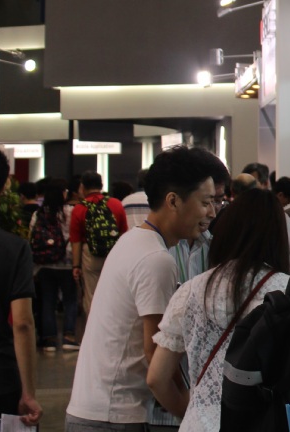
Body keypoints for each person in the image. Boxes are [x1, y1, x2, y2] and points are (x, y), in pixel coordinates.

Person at [65, 146, 226, 432]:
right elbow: (157, 357)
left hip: (96, 409)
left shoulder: (133, 241)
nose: (211, 212)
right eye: (205, 202)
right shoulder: (157, 260)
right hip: (114, 416)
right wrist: (193, 416)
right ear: (173, 201)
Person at [147, 189, 290, 431]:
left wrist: (191, 413)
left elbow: (156, 378)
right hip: (258, 423)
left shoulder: (192, 290)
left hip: (198, 424)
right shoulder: (285, 292)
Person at [0, 147, 43, 427]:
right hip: (1, 377)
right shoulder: (14, 249)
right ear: (4, 187)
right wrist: (28, 392)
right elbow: (23, 323)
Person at [70, 170, 130, 316]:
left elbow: (76, 240)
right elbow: (124, 233)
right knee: (113, 293)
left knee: (92, 294)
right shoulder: (115, 204)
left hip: (90, 254)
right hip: (113, 254)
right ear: (102, 186)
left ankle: (94, 325)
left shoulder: (79, 208)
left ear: (82, 187)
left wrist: (76, 265)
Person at [31, 179, 80, 350]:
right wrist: (77, 264)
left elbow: (32, 237)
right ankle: (68, 336)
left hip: (45, 264)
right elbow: (76, 237)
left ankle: (49, 339)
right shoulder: (70, 212)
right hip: (67, 264)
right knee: (70, 300)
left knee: (48, 301)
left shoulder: (38, 214)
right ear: (62, 194)